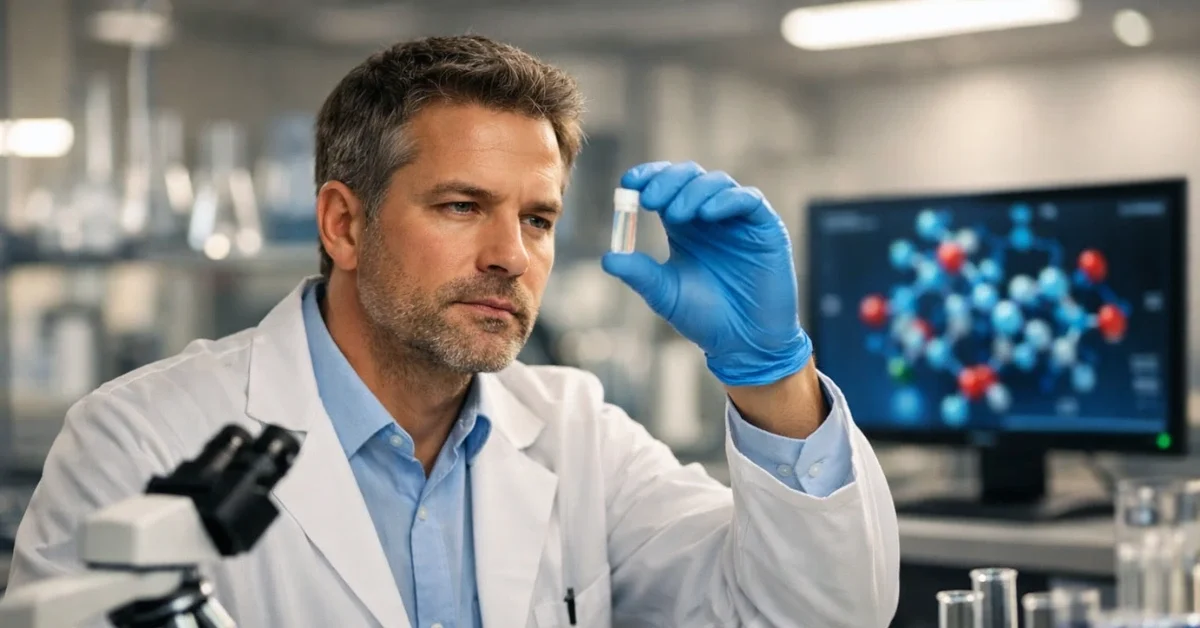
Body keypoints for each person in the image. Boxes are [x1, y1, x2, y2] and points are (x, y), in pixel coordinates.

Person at [8, 35, 898, 627]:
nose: (511, 255)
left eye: (539, 220)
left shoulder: (577, 431)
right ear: (344, 225)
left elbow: (815, 613)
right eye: (463, 205)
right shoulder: (139, 436)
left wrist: (770, 371)